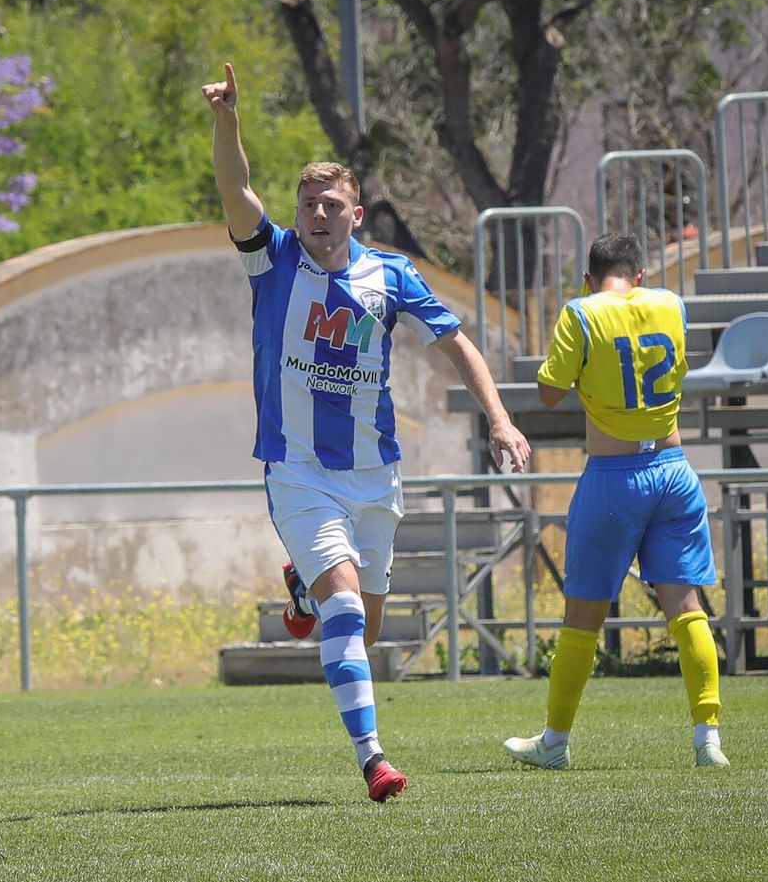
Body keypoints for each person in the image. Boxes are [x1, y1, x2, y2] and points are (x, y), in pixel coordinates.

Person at [203, 63, 531, 802]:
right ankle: (374, 758)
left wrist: (501, 419)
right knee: (347, 610)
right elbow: (234, 190)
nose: (316, 213)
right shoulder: (275, 258)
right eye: (307, 202)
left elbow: (458, 343)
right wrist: (228, 122)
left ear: (357, 214)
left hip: (373, 472)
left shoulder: (391, 275)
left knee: (367, 622)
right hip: (297, 469)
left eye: (331, 204)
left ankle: (303, 588)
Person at [502, 232, 728, 770]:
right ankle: (708, 738)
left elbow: (549, 390)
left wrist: (586, 368)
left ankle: (554, 742)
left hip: (613, 477)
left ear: (588, 277)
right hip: (674, 470)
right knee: (686, 607)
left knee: (583, 612)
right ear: (642, 275)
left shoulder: (581, 312)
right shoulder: (671, 305)